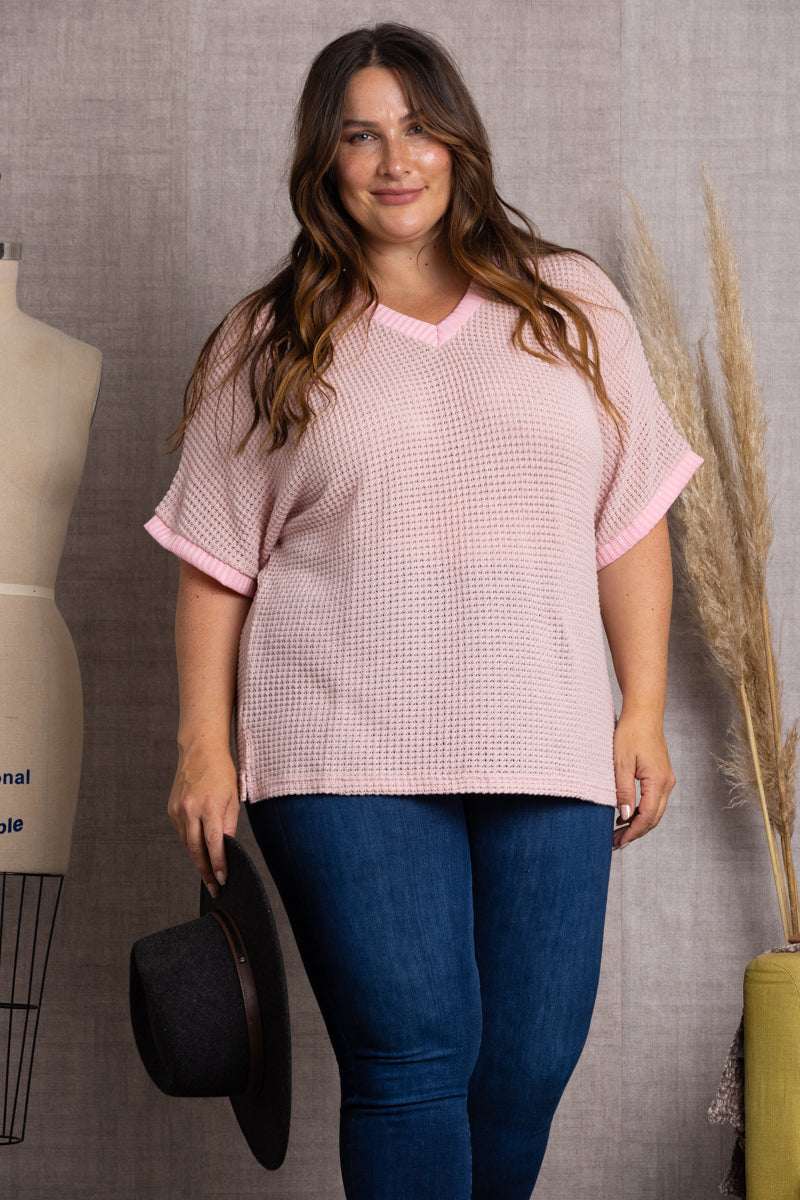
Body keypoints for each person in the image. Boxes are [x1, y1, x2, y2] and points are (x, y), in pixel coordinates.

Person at [146, 22, 701, 1200]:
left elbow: (627, 524)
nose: (394, 161)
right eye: (360, 135)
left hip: (544, 736)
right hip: (341, 751)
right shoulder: (269, 340)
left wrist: (642, 707)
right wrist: (203, 745)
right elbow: (214, 561)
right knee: (411, 1061)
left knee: (524, 1070)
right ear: (323, 160)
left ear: (459, 142)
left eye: (416, 128)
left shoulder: (570, 306)